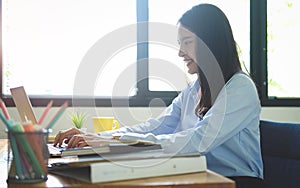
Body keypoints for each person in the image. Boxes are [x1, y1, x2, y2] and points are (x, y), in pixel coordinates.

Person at [54, 4, 264, 188]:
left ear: (211, 43)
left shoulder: (240, 88)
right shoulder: (194, 90)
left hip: (236, 181)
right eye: (180, 43)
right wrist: (102, 138)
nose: (180, 52)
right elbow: (156, 126)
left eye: (187, 42)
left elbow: (198, 141)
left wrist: (118, 141)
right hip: (196, 175)